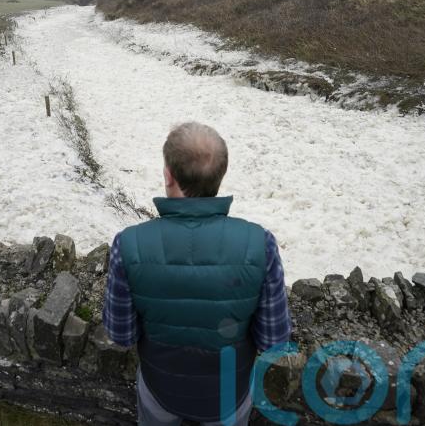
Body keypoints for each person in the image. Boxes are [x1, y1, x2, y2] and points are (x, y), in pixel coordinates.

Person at [102, 121, 292, 425]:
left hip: (161, 390)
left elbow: (121, 335)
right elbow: (273, 339)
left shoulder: (128, 244)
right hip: (229, 395)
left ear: (168, 175)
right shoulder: (260, 243)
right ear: (221, 176)